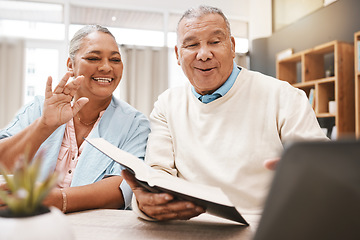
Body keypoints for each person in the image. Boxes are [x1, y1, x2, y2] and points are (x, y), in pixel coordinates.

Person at [123, 5, 328, 221]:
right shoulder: (167, 104)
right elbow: (158, 172)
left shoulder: (283, 96)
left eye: (214, 42)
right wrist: (149, 202)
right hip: (191, 226)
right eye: (192, 44)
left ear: (231, 46)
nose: (203, 54)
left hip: (264, 224)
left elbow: (322, 167)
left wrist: (308, 171)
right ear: (177, 54)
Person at [0, 25, 150, 213]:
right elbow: (3, 163)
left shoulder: (135, 124)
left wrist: (58, 199)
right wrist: (44, 125)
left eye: (115, 60)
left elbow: (125, 187)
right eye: (93, 58)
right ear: (71, 64)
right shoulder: (40, 108)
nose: (106, 67)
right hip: (31, 223)